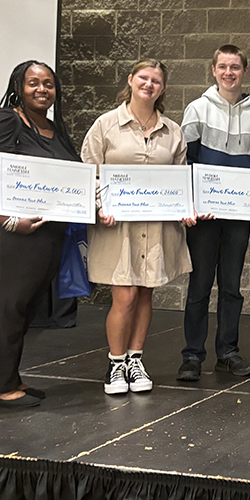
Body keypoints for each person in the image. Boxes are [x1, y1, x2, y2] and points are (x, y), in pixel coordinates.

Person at [0, 61, 80, 408]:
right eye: (33, 83)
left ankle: (9, 375)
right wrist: (9, 219)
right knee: (5, 305)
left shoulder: (52, 127)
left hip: (43, 234)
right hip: (9, 233)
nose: (42, 89)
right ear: (19, 85)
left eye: (48, 84)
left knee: (22, 308)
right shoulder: (7, 119)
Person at [81, 59, 195, 396]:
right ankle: (116, 363)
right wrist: (101, 206)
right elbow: (90, 171)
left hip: (157, 226)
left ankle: (135, 359)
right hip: (118, 226)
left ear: (162, 88)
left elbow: (180, 179)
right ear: (131, 80)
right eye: (143, 78)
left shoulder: (173, 131)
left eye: (156, 81)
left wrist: (184, 209)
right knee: (125, 294)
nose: (149, 85)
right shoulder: (105, 125)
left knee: (146, 292)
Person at [177, 45, 250, 382]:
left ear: (245, 71)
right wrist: (190, 204)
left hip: (238, 216)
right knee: (199, 285)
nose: (229, 73)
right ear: (213, 70)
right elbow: (185, 163)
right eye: (223, 67)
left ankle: (227, 352)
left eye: (235, 67)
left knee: (232, 287)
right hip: (204, 217)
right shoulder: (197, 110)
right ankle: (192, 356)